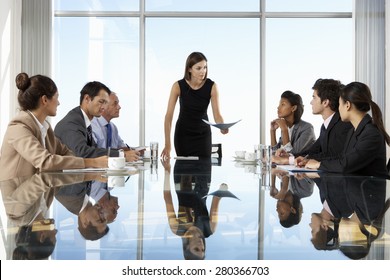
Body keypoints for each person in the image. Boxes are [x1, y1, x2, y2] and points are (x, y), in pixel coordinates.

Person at [0, 73, 107, 181]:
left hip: (39, 192)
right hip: (18, 194)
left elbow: (67, 153)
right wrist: (93, 162)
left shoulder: (45, 128)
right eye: (56, 97)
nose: (59, 103)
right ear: (45, 100)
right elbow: (45, 162)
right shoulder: (18, 128)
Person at [305, 82, 390, 177]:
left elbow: (346, 165)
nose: (339, 109)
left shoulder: (372, 133)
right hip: (357, 188)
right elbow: (342, 157)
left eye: (340, 104)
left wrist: (318, 164)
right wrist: (313, 161)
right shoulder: (353, 131)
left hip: (371, 190)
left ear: (347, 105)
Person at [161, 52, 228, 159]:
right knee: (183, 173)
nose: (203, 71)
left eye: (205, 67)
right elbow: (168, 117)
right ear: (189, 69)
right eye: (199, 68)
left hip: (203, 137)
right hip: (183, 136)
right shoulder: (178, 86)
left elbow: (217, 115)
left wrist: (222, 126)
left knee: (204, 173)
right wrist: (167, 145)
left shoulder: (212, 86)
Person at [54, 81, 139, 162]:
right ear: (87, 99)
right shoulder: (72, 122)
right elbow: (82, 153)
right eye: (101, 102)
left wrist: (123, 153)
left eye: (106, 103)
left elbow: (95, 149)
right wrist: (121, 155)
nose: (104, 107)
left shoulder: (84, 120)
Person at [292, 79, 353, 166]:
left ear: (325, 102)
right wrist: (289, 158)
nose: (311, 102)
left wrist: (306, 160)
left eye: (314, 97)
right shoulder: (325, 126)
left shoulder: (343, 125)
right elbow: (312, 151)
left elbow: (335, 156)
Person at [270, 90, 315, 164]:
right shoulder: (286, 127)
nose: (278, 107)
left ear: (293, 108)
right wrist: (272, 131)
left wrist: (284, 130)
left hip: (302, 173)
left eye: (283, 104)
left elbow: (291, 155)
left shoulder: (307, 128)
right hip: (287, 172)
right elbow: (274, 154)